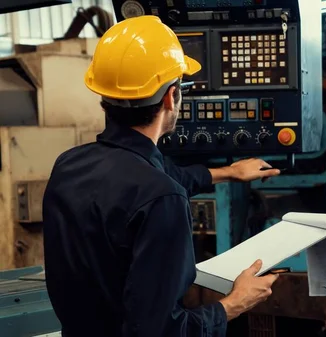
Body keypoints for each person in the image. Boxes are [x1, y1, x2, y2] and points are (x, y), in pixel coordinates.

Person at [42, 15, 281, 337]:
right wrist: (235, 303)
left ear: (104, 98)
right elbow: (159, 331)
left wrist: (228, 172)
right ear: (171, 96)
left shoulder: (70, 164)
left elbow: (158, 176)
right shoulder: (160, 197)